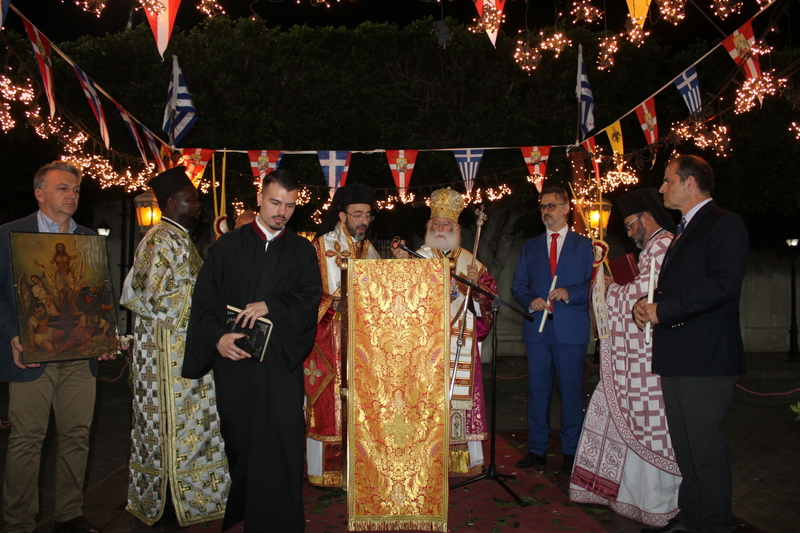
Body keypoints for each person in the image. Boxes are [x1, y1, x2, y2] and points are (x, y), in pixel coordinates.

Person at [182, 169, 322, 532]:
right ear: (259, 199)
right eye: (275, 202)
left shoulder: (302, 251)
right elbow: (205, 301)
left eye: (289, 205)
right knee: (240, 438)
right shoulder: (227, 246)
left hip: (278, 366)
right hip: (234, 364)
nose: (282, 212)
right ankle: (245, 511)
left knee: (280, 441)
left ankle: (278, 524)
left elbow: (309, 299)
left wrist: (271, 305)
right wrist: (217, 338)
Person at [633, 155, 748, 533]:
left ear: (691, 183)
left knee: (705, 448)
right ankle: (693, 517)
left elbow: (722, 286)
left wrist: (663, 311)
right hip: (679, 354)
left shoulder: (724, 223)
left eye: (668, 181)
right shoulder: (684, 228)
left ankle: (715, 524)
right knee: (685, 447)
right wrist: (648, 305)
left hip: (706, 357)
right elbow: (680, 286)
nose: (662, 188)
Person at [0, 161, 113, 533]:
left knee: (77, 435)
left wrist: (103, 336)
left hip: (80, 356)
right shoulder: (10, 234)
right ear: (40, 193)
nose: (72, 195)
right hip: (32, 356)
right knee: (27, 439)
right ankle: (18, 522)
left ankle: (69, 514)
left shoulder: (88, 239)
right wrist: (13, 334)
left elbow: (97, 295)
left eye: (76, 190)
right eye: (63, 188)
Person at [120, 166, 230, 526]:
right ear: (171, 202)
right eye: (191, 199)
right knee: (172, 431)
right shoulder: (158, 240)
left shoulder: (180, 238)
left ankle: (192, 499)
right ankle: (168, 502)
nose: (197, 204)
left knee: (193, 429)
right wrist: (207, 303)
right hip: (166, 358)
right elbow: (145, 295)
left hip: (185, 350)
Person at [569, 188, 681, 526]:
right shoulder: (654, 248)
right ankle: (633, 497)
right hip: (640, 357)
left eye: (631, 225)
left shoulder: (662, 246)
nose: (629, 233)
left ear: (647, 218)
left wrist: (608, 289)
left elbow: (639, 296)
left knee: (649, 427)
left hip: (648, 361)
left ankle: (656, 504)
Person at [391, 188, 495, 475]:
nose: (440, 228)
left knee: (462, 397)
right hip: (427, 341)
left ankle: (465, 459)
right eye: (435, 223)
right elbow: (402, 298)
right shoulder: (417, 257)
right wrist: (402, 266)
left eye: (445, 224)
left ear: (456, 229)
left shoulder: (472, 262)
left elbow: (489, 301)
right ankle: (426, 455)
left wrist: (478, 288)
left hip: (461, 338)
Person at [511, 186, 593, 474]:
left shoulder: (585, 246)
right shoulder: (530, 247)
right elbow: (518, 286)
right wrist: (529, 299)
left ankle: (571, 451)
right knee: (538, 391)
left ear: (566, 208)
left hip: (571, 330)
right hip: (538, 330)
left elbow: (594, 285)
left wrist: (570, 293)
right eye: (543, 206)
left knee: (572, 392)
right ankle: (537, 449)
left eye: (552, 206)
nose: (547, 211)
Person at [304, 184, 381, 488]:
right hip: (327, 341)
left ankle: (357, 468)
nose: (363, 221)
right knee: (328, 406)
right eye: (357, 214)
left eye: (367, 215)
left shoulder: (369, 249)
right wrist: (329, 302)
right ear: (342, 215)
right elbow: (303, 292)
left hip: (360, 342)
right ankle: (324, 472)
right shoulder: (320, 246)